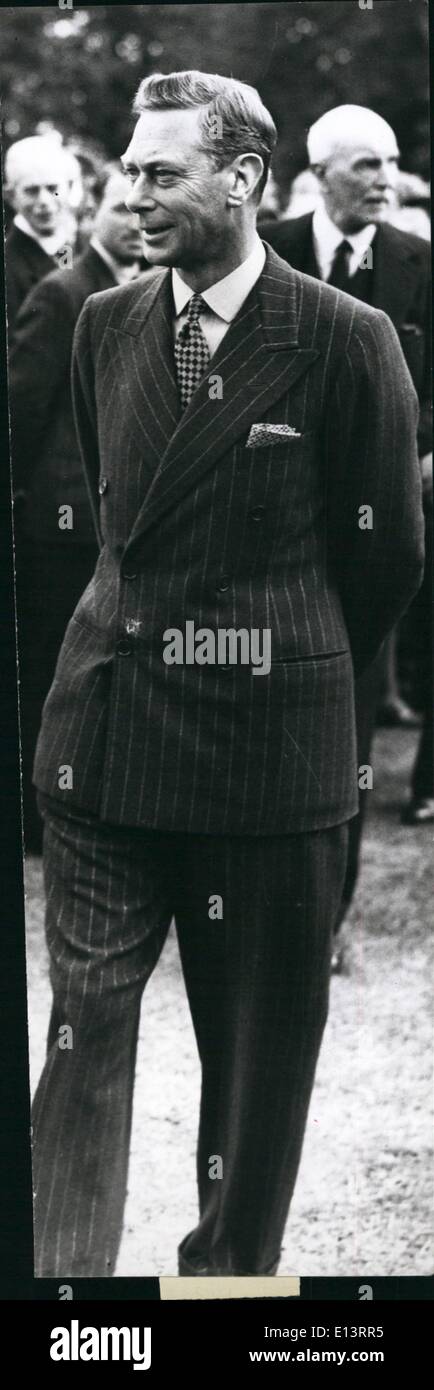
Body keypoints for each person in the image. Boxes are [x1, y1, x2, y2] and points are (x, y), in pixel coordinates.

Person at [30, 71, 424, 1279]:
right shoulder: (104, 322)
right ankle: (62, 1292)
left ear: (242, 179)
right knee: (83, 1028)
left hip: (266, 754)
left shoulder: (346, 338)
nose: (129, 197)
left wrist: (280, 658)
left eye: (160, 173)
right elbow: (118, 512)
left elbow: (383, 561)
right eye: (126, 173)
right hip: (103, 733)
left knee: (254, 1063)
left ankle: (227, 1282)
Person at [261, 106, 431, 948]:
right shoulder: (267, 249)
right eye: (368, 164)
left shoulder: (418, 263)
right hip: (272, 526)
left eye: (393, 164)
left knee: (352, 726)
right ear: (321, 171)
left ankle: (327, 917)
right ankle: (252, 909)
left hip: (371, 536)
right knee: (261, 719)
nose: (385, 180)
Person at [9, 168, 145, 853]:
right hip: (61, 525)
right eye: (119, 208)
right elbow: (23, 409)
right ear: (94, 215)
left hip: (120, 520)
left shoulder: (155, 289)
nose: (132, 221)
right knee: (52, 671)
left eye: (138, 210)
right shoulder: (61, 294)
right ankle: (39, 817)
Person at [4, 136, 81, 337]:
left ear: (69, 188)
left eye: (53, 189)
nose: (44, 201)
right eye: (31, 191)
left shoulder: (78, 248)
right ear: (11, 197)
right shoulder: (7, 265)